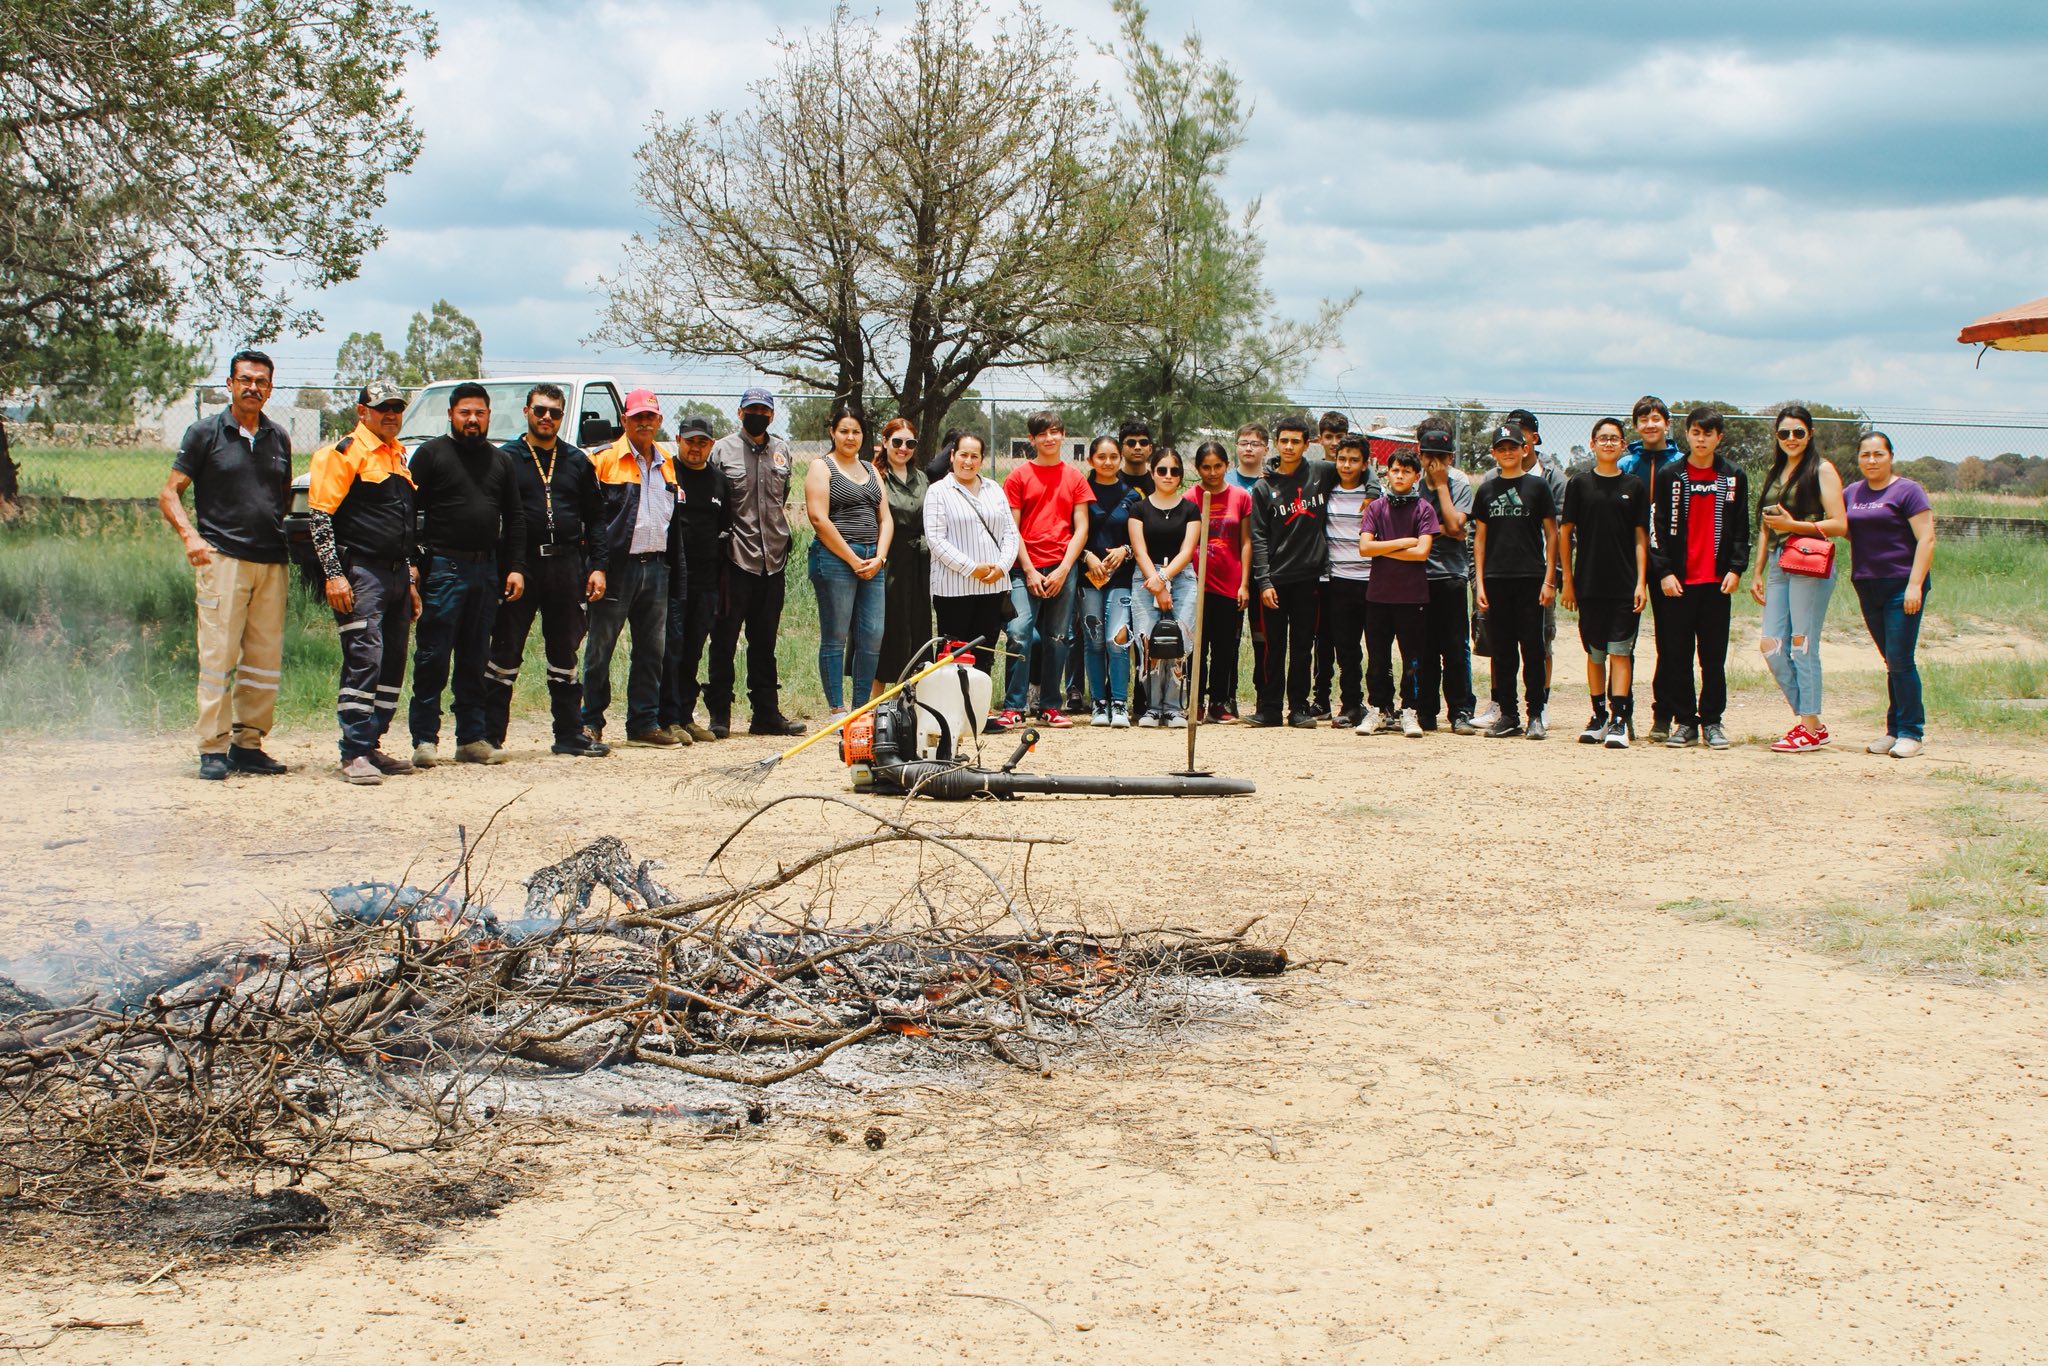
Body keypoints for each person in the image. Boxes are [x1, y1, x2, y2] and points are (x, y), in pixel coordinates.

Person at [159, 349, 293, 780]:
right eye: (245, 379)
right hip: (223, 558)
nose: (253, 388)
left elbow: (281, 497)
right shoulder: (204, 433)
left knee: (262, 658)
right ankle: (213, 747)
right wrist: (190, 538)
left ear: (270, 388)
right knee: (218, 656)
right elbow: (169, 493)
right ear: (230, 384)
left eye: (262, 382)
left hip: (270, 562)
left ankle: (248, 744)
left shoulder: (278, 438)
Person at [306, 380, 421, 785]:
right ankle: (353, 752)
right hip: (362, 573)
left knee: (391, 662)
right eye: (380, 407)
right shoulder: (343, 454)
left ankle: (372, 743)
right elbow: (319, 519)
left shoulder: (398, 455)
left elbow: (400, 524)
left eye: (395, 407)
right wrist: (334, 575)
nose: (389, 414)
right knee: (364, 658)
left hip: (394, 575)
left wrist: (408, 576)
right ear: (362, 412)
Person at [484, 383, 608, 758]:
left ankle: (569, 734)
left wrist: (598, 566)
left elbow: (597, 519)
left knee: (565, 653)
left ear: (563, 415)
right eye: (540, 410)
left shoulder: (576, 461)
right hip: (520, 568)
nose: (547, 418)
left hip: (567, 565)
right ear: (526, 412)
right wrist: (508, 566)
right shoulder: (506, 458)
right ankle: (489, 736)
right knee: (505, 652)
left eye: (555, 412)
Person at [406, 382, 525, 768]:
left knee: (475, 658)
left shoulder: (500, 461)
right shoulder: (430, 455)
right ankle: (425, 739)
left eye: (479, 413)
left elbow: (516, 518)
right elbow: (408, 513)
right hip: (443, 569)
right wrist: (413, 564)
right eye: (465, 412)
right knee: (433, 656)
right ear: (451, 415)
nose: (472, 420)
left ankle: (471, 738)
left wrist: (515, 568)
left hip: (486, 571)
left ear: (489, 416)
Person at [1648, 407, 1750, 749]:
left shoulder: (1733, 476)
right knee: (1677, 655)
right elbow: (1657, 527)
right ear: (1687, 434)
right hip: (1679, 584)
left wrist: (1736, 569)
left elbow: (1741, 529)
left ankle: (1712, 721)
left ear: (1719, 437)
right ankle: (1685, 722)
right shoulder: (1671, 475)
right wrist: (1663, 571)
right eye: (1696, 432)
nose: (1701, 439)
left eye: (1708, 433)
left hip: (1716, 584)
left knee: (1712, 658)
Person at [1749, 404, 1848, 754]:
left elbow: (1840, 524)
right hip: (1778, 564)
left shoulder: (1821, 470)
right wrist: (1757, 569)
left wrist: (1795, 527)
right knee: (1771, 645)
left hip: (1808, 563)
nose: (1791, 439)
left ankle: (1808, 724)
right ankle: (1813, 725)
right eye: (1784, 433)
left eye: (1798, 432)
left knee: (1801, 645)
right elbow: (1766, 523)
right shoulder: (1776, 471)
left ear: (1810, 434)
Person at [583, 388, 678, 747]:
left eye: (650, 417)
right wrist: (597, 566)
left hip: (655, 566)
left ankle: (642, 722)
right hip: (617, 569)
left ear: (658, 420)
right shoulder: (604, 460)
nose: (644, 422)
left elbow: (673, 519)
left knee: (651, 650)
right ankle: (590, 722)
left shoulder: (667, 461)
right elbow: (591, 520)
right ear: (624, 420)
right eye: (637, 416)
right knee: (600, 648)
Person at [707, 387, 804, 738]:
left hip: (773, 560)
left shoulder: (782, 450)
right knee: (724, 639)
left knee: (764, 641)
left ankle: (766, 714)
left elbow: (784, 494)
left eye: (764, 410)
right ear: (740, 412)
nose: (758, 415)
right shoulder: (722, 450)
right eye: (752, 409)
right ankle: (719, 713)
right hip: (735, 558)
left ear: (772, 415)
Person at [1843, 432, 1935, 758]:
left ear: (1890, 456)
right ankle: (1894, 731)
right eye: (1865, 454)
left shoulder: (1907, 490)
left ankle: (1912, 732)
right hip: (1867, 585)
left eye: (1878, 454)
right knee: (1891, 661)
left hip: (1902, 586)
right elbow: (1837, 525)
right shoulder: (1852, 493)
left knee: (1900, 660)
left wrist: (1914, 584)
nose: (1871, 460)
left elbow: (1927, 539)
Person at [997, 410, 1091, 730]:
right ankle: (1014, 706)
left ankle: (1051, 705)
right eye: (1043, 434)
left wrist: (1065, 569)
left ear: (1063, 435)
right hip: (1025, 569)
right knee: (1020, 633)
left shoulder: (1075, 477)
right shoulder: (1019, 477)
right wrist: (1029, 569)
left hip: (1062, 569)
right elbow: (1013, 527)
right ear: (1032, 439)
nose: (1050, 438)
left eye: (1055, 432)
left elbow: (1081, 528)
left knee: (1057, 638)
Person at [1559, 417, 1649, 748]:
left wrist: (1641, 582)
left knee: (1620, 653)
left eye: (1615, 438)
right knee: (1596, 654)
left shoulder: (1634, 486)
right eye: (1603, 438)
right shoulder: (1579, 485)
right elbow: (1565, 533)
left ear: (1623, 444)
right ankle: (1598, 716)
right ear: (1593, 443)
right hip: (1589, 584)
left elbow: (1641, 537)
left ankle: (1619, 720)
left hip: (1624, 585)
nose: (1609, 443)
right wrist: (1567, 580)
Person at [1248, 414, 1338, 728]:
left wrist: (1369, 491)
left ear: (1307, 443)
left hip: (1308, 577)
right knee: (1273, 647)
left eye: (1295, 441)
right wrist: (1264, 580)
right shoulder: (1263, 486)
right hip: (1275, 580)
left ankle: (1299, 708)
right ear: (1276, 443)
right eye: (1283, 440)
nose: (1288, 446)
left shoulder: (1321, 473)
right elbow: (1258, 536)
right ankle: (1270, 708)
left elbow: (1362, 468)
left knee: (1302, 645)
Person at [806, 401, 893, 717]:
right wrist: (852, 558)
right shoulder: (821, 467)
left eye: (856, 431)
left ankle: (862, 707)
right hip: (835, 560)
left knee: (872, 636)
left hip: (873, 560)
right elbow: (818, 518)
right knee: (836, 636)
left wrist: (879, 558)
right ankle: (837, 709)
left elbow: (886, 518)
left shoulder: (871, 470)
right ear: (833, 432)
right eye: (844, 431)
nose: (850, 437)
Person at [1471, 423, 1558, 739]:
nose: (1507, 452)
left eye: (1513, 447)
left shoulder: (1537, 487)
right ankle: (1508, 714)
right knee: (1502, 651)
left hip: (1530, 578)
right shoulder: (1486, 489)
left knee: (1533, 649)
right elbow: (1479, 540)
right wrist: (1480, 583)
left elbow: (1552, 533)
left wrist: (1550, 579)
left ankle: (1536, 713)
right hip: (1496, 578)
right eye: (1501, 448)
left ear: (1525, 449)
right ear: (1494, 453)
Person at [923, 433, 1018, 692]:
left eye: (974, 456)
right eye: (963, 455)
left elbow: (1011, 533)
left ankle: (978, 712)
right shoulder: (938, 491)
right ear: (952, 456)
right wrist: (971, 568)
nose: (968, 461)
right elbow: (936, 540)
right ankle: (948, 709)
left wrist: (1002, 566)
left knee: (984, 653)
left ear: (982, 459)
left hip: (992, 587)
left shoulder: (994, 489)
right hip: (954, 589)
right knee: (952, 654)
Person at [1355, 447, 1439, 737]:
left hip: (1412, 597)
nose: (1400, 475)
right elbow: (1366, 548)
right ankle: (1378, 709)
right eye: (1395, 470)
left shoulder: (1424, 509)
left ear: (1417, 475)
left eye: (1406, 471)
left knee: (1412, 659)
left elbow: (1422, 553)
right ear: (1386, 473)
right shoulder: (1376, 508)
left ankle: (1409, 711)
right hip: (1378, 596)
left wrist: (1385, 547)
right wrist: (1404, 541)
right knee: (1377, 658)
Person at [658, 413, 729, 744]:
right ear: (678, 440)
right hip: (674, 576)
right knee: (671, 648)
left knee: (693, 650)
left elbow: (725, 527)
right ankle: (667, 718)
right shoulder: (667, 472)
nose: (695, 448)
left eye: (702, 442)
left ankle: (686, 716)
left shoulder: (718, 480)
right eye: (690, 441)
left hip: (707, 579)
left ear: (711, 445)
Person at [1621, 396, 1681, 741]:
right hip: (1629, 561)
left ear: (1667, 423)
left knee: (1669, 642)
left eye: (1656, 418)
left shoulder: (1680, 463)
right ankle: (1621, 711)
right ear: (1636, 425)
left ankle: (1664, 714)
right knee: (1622, 641)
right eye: (1643, 419)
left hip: (1668, 564)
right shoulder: (1629, 464)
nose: (1650, 425)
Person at [1127, 448, 1201, 727]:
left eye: (1174, 471)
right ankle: (1151, 707)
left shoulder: (1191, 509)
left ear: (1181, 475)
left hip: (1181, 577)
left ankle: (1173, 706)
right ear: (1152, 473)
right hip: (1145, 577)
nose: (1168, 476)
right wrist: (1157, 585)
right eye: (1162, 470)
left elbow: (1187, 551)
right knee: (1148, 642)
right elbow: (1139, 550)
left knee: (1179, 641)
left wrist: (1166, 579)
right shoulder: (1139, 508)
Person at [1413, 419, 1476, 734]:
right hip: (1419, 575)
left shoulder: (1458, 483)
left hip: (1450, 574)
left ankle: (1461, 710)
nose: (1434, 462)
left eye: (1442, 456)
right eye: (1428, 455)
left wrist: (1440, 485)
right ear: (1420, 455)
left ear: (1450, 458)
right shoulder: (1411, 483)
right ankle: (1425, 711)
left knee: (1454, 646)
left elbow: (1455, 528)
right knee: (1423, 647)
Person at [1188, 441, 1253, 723]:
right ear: (1197, 468)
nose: (1212, 472)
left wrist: (1245, 584)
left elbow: (1246, 542)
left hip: (1229, 582)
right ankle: (1196, 703)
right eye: (1206, 467)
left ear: (1227, 465)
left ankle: (1218, 702)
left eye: (1218, 466)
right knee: (1197, 647)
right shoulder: (1190, 497)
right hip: (1196, 583)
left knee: (1224, 647)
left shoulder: (1240, 497)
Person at [1078, 435, 1140, 727]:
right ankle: (1098, 704)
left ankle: (1119, 703)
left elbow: (1140, 537)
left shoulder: (1132, 495)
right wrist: (1087, 555)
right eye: (1101, 457)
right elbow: (1072, 532)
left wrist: (1125, 550)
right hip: (1089, 579)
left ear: (1120, 459)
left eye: (1113, 456)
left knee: (1117, 640)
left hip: (1121, 579)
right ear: (1091, 460)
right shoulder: (1081, 492)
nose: (1107, 462)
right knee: (1093, 642)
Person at [1320, 435, 1376, 728]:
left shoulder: (1375, 496)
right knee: (1346, 648)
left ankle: (1382, 706)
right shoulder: (1327, 491)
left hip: (1371, 580)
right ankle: (1351, 704)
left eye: (1354, 460)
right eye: (1342, 459)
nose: (1347, 465)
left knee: (1377, 648)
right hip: (1338, 581)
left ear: (1365, 464)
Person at [874, 418, 932, 689]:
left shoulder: (922, 479)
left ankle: (910, 702)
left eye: (910, 443)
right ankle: (873, 703)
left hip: (919, 564)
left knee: (917, 629)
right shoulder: (875, 476)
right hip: (889, 561)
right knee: (887, 631)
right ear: (884, 442)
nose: (903, 448)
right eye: (897, 442)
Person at [1117, 418, 1156, 495]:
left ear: (1150, 449)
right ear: (1121, 449)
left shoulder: (1158, 481)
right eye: (1131, 443)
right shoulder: (1111, 480)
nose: (1137, 447)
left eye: (1143, 443)